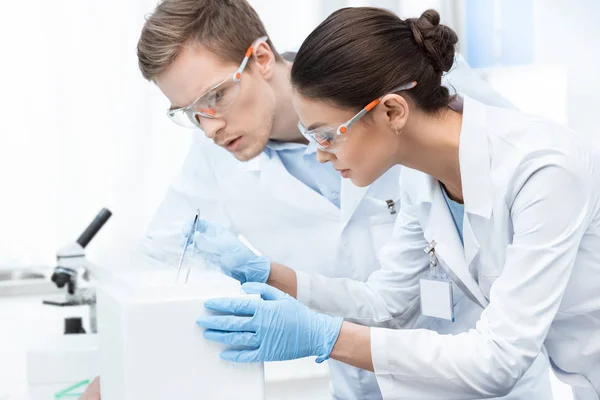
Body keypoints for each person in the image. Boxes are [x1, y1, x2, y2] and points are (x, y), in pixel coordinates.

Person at [81, 1, 549, 399]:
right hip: (360, 385)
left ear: (260, 58)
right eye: (188, 114)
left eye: (215, 96)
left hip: (486, 381)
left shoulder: (392, 79)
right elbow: (152, 280)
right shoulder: (211, 160)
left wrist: (321, 332)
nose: (210, 127)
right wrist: (110, 376)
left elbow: (520, 174)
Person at [193, 7, 600, 400]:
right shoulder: (421, 178)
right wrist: (268, 274)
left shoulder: (543, 170)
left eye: (327, 136)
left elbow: (498, 359)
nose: (319, 155)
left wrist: (327, 338)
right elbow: (387, 304)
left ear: (392, 110)